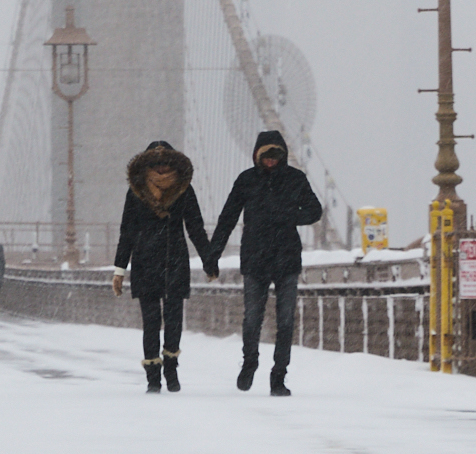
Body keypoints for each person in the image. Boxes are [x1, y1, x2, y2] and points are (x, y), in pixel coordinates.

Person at [207, 127, 326, 396]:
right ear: (257, 156)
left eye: (276, 155)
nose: (271, 160)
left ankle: (278, 378)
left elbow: (314, 210)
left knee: (285, 322)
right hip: (255, 259)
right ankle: (250, 363)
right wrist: (212, 255)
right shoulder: (246, 181)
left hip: (286, 259)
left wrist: (288, 215)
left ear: (282, 156)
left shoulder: (296, 179)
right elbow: (227, 218)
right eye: (266, 155)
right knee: (252, 319)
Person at [111, 140, 217, 392]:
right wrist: (119, 270)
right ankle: (153, 376)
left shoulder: (183, 190)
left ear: (173, 164)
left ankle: (170, 367)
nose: (160, 169)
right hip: (145, 263)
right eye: (155, 164)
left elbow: (195, 228)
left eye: (165, 164)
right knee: (150, 321)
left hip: (175, 261)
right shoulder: (135, 191)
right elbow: (127, 232)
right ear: (146, 165)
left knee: (173, 320)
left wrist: (208, 259)